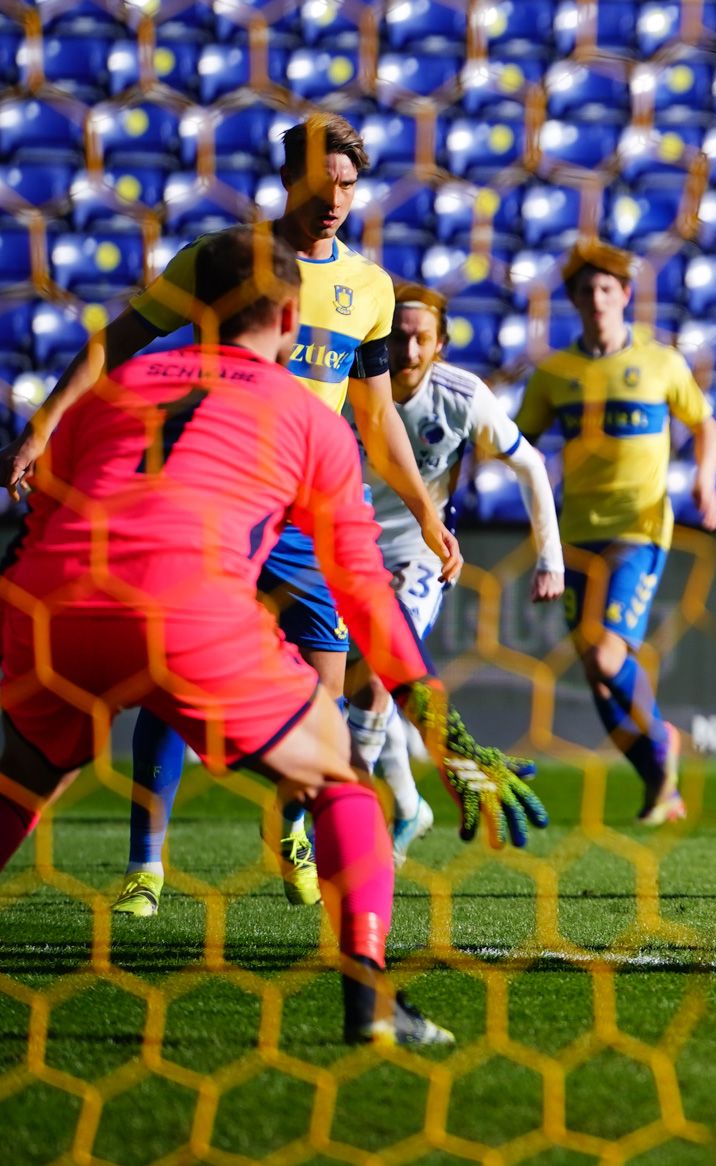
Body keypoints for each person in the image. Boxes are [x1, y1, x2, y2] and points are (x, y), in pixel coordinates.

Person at [0, 228, 544, 1044]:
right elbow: (365, 593)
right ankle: (371, 1002)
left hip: (53, 605)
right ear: (292, 320)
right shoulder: (307, 416)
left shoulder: (114, 389)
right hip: (187, 610)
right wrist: (447, 735)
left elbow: (41, 519)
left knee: (24, 777)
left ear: (190, 309)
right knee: (345, 778)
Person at [0, 114, 465, 916]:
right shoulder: (228, 263)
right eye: (321, 185)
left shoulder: (372, 290)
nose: (334, 201)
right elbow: (118, 342)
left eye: (349, 187)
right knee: (163, 678)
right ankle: (146, 864)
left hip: (304, 504)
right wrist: (41, 426)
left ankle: (289, 824)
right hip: (214, 498)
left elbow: (378, 414)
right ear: (289, 182)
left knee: (322, 698)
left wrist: (426, 512)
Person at [344, 284, 564, 868]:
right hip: (347, 548)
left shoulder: (462, 396)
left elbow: (530, 464)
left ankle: (350, 813)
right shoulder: (350, 385)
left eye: (421, 338)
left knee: (378, 672)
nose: (408, 349)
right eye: (398, 336)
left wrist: (551, 559)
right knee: (361, 683)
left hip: (422, 550)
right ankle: (410, 805)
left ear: (440, 345)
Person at [515, 244, 716, 825]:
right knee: (594, 673)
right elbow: (519, 444)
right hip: (576, 534)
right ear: (574, 300)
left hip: (639, 527)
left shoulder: (661, 363)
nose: (598, 300)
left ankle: (663, 744)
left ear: (626, 296)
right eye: (586, 291)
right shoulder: (554, 374)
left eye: (608, 290)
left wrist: (705, 482)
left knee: (608, 658)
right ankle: (662, 786)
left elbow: (704, 424)